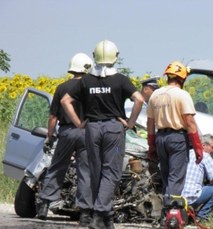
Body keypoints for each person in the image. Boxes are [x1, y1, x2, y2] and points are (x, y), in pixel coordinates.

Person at [61, 40, 144, 229]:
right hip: (113, 129)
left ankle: (107, 217)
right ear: (115, 57)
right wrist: (130, 122)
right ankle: (99, 214)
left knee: (96, 171)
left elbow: (66, 101)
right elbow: (139, 99)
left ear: (95, 56)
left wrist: (78, 123)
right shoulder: (121, 79)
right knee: (112, 172)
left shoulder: (86, 80)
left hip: (92, 128)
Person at [36, 53, 93, 227]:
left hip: (67, 132)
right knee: (86, 172)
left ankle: (44, 206)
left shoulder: (62, 87)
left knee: (57, 166)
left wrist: (50, 136)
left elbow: (53, 116)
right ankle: (84, 213)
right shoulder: (91, 87)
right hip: (86, 133)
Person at [146, 60, 204, 227]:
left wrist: (152, 146)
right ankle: (172, 218)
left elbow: (150, 123)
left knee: (166, 177)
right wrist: (198, 148)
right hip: (177, 138)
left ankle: (166, 215)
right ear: (182, 79)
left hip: (161, 138)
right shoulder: (182, 95)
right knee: (176, 178)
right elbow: (190, 122)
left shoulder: (155, 95)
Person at [181, 148, 213, 221]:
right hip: (191, 198)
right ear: (204, 145)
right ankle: (201, 216)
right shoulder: (205, 156)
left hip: (177, 198)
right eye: (212, 147)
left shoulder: (186, 152)